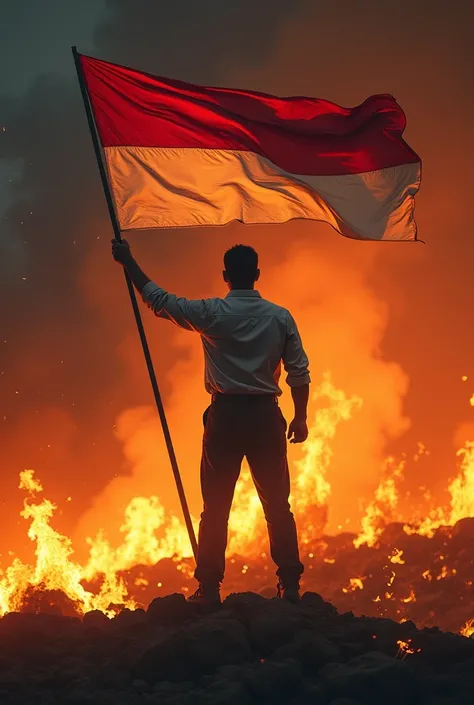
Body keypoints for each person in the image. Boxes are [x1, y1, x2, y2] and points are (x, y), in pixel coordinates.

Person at [112, 239, 310, 607]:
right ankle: (290, 584)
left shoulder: (212, 314)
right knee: (277, 505)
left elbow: (159, 301)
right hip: (266, 416)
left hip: (226, 417)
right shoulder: (280, 317)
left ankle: (210, 588)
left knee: (215, 506)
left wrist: (129, 262)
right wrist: (300, 416)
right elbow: (299, 372)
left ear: (225, 276)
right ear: (257, 275)